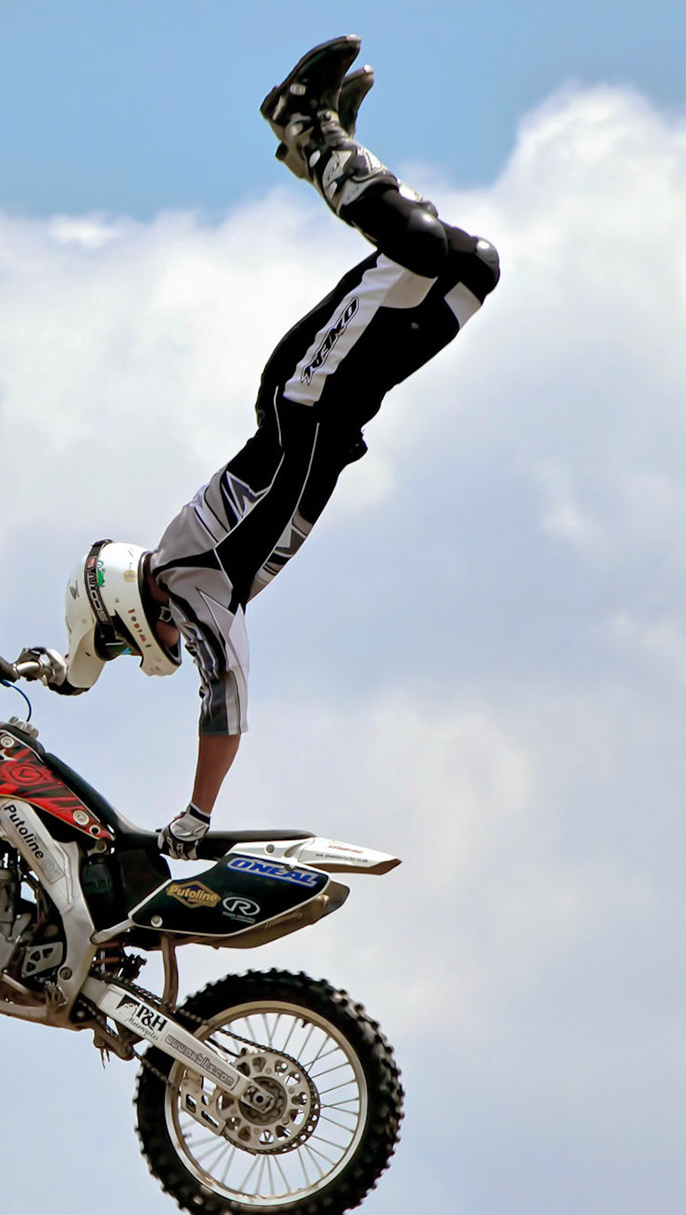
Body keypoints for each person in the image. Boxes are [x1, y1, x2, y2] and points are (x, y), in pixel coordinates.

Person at [32, 36, 501, 858]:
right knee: (471, 267)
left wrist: (196, 814)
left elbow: (224, 703)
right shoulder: (195, 594)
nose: (163, 653)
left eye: (123, 640)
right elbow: (117, 659)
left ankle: (306, 126)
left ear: (127, 613)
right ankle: (325, 148)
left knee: (421, 248)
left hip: (309, 395)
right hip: (343, 406)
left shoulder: (185, 585)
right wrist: (60, 673)